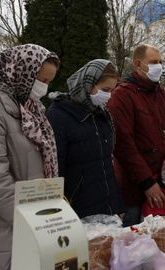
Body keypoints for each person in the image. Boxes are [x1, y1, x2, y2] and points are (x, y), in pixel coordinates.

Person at [0, 44, 60, 270]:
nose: (43, 87)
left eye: (48, 82)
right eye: (41, 80)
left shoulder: (30, 110)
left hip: (25, 228)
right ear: (18, 72)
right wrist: (33, 220)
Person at [107, 44, 165, 227]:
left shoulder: (162, 94)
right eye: (154, 62)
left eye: (161, 62)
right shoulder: (122, 96)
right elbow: (123, 145)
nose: (159, 66)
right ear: (138, 64)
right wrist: (147, 182)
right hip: (135, 192)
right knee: (135, 245)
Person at [46, 59, 125, 218]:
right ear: (88, 84)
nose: (108, 96)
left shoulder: (101, 115)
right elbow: (55, 169)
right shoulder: (59, 116)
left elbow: (106, 165)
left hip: (107, 209)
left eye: (111, 90)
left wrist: (116, 205)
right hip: (77, 211)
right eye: (105, 89)